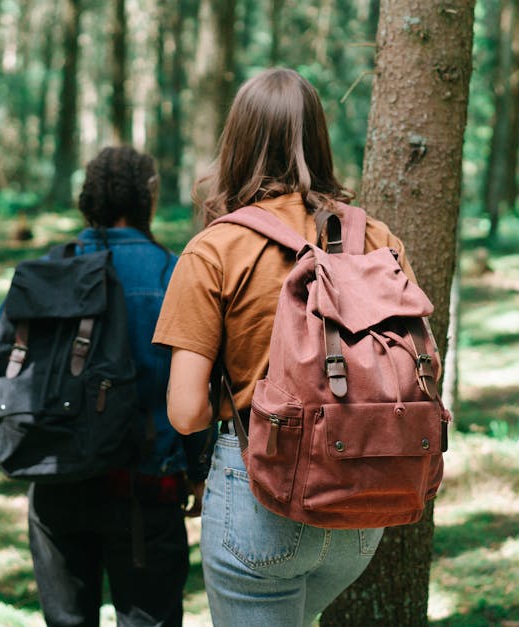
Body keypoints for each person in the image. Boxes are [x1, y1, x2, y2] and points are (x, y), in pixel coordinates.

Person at [152, 68, 421, 625]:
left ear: (237, 143)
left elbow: (185, 413)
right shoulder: (379, 239)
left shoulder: (215, 249)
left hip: (260, 497)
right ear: (319, 139)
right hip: (363, 502)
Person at [0, 146, 211, 627]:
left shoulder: (49, 268)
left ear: (88, 198)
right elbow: (192, 383)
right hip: (145, 484)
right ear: (147, 198)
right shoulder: (172, 274)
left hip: (56, 478)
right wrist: (197, 468)